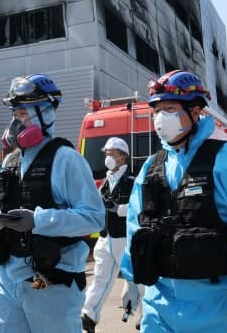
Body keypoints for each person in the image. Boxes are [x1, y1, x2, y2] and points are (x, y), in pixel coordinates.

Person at [120, 70, 227, 332]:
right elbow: (136, 227)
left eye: (169, 108)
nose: (160, 118)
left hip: (216, 306)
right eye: (156, 110)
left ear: (195, 111)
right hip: (159, 305)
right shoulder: (150, 167)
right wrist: (131, 279)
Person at [0, 74, 104, 333]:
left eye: (23, 114)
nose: (16, 122)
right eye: (15, 114)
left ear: (47, 113)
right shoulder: (10, 162)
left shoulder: (66, 160)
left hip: (52, 282)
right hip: (7, 280)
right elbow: (1, 215)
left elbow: (94, 217)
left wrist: (38, 221)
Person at [81, 137, 140, 333]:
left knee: (135, 280)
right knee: (100, 278)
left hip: (124, 239)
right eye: (106, 153)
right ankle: (89, 315)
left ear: (123, 157)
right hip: (105, 239)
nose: (108, 157)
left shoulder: (132, 181)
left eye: (112, 154)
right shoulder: (106, 181)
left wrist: (118, 208)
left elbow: (137, 208)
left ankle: (145, 317)